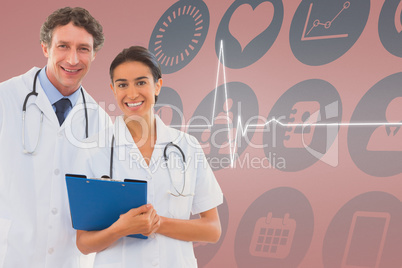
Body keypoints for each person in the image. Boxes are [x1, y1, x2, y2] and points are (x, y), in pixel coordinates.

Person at [73, 46, 223, 267]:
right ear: (113, 89)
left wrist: (157, 223)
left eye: (141, 82)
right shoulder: (92, 150)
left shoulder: (187, 147)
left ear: (157, 85)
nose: (132, 94)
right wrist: (121, 228)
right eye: (123, 84)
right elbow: (84, 243)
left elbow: (212, 230)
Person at [0, 7, 111, 268]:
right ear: (45, 48)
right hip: (11, 254)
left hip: (71, 260)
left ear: (94, 54)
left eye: (83, 49)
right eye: (63, 46)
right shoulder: (6, 99)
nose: (73, 59)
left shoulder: (101, 121)